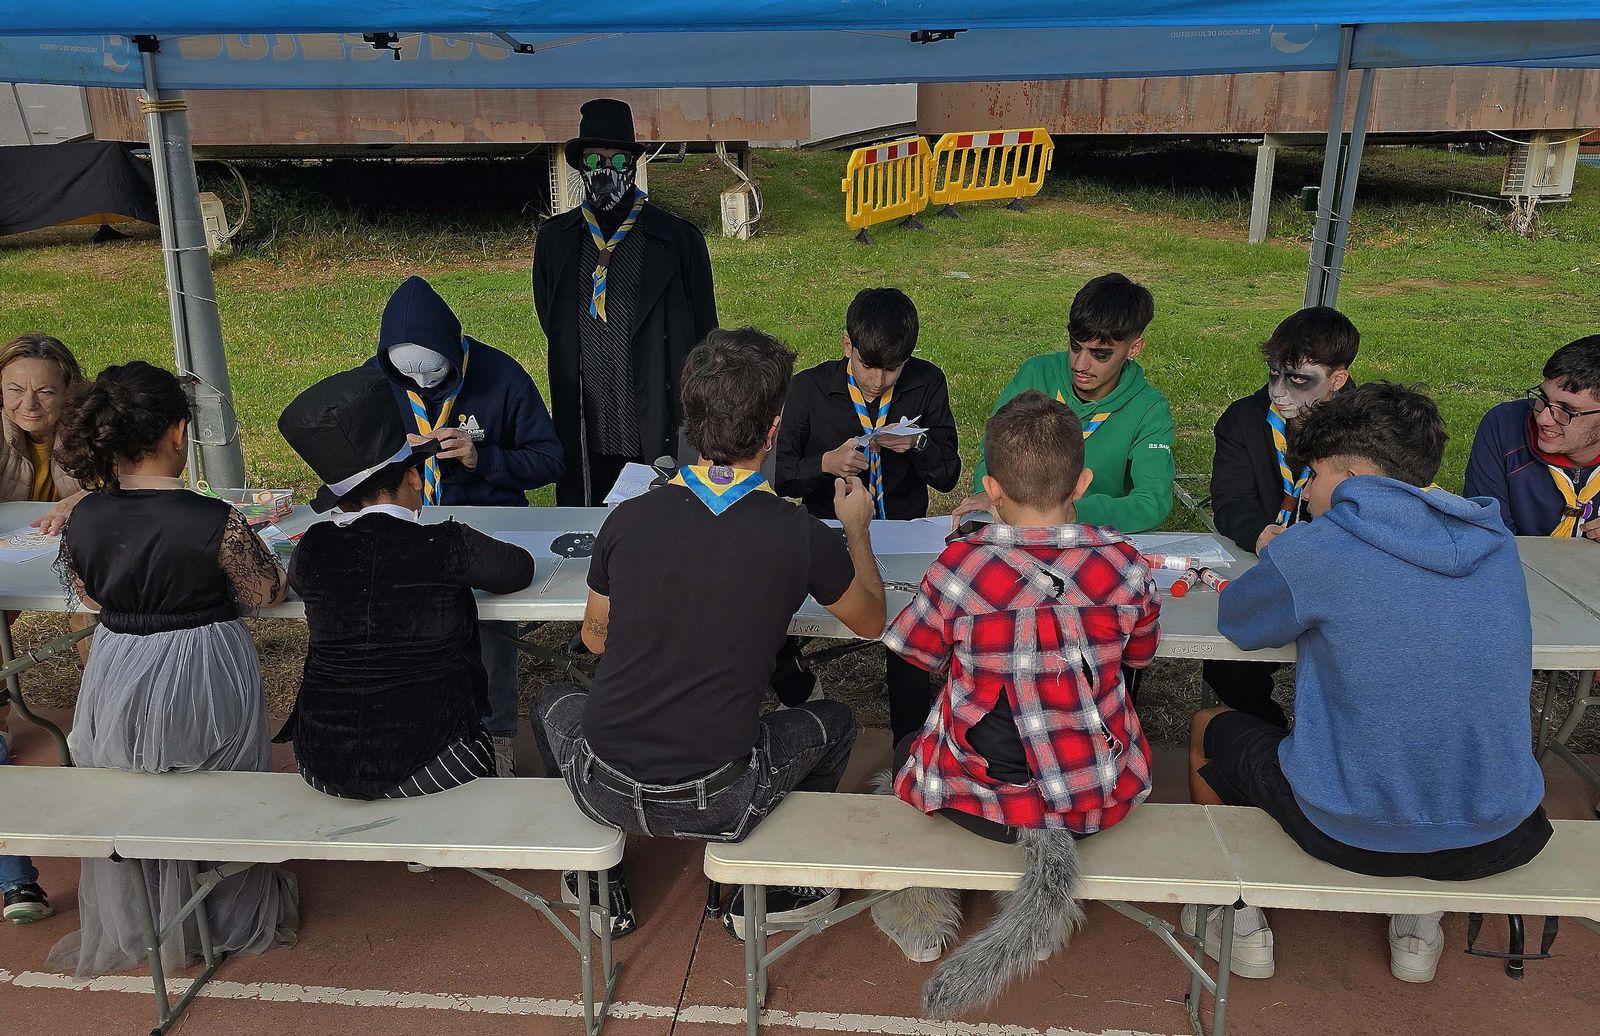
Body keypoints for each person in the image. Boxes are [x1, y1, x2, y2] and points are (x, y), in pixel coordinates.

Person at [1189, 383, 1552, 986]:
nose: (1304, 490)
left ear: (1353, 473)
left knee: (1207, 727)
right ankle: (1417, 924)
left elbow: (1240, 622)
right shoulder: (1494, 542)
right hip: (1504, 825)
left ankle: (1235, 919)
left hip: (1355, 827)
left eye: (1312, 474)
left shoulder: (1319, 548)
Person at [535, 327, 885, 940]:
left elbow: (595, 639)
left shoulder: (629, 519)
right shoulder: (795, 531)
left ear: (690, 421)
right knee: (835, 724)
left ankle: (596, 880)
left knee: (549, 705)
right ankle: (769, 886)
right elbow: (872, 620)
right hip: (722, 793)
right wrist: (856, 527)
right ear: (775, 429)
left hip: (606, 784)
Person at [869, 390, 1160, 1016]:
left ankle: (918, 910)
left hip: (984, 804)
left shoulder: (961, 565)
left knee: (898, 754)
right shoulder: (1127, 564)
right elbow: (1139, 657)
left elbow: (915, 653)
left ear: (990, 488)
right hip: (1094, 798)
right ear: (1082, 480)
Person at [47, 361, 298, 978]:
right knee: (222, 783)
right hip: (204, 660)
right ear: (178, 435)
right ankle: (229, 913)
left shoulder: (83, 516)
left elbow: (84, 591)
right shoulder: (213, 519)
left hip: (119, 660)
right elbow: (264, 592)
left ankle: (143, 915)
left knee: (130, 782)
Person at [276, 367, 538, 800]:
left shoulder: (315, 546)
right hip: (433, 758)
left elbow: (307, 579)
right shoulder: (447, 542)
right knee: (475, 747)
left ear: (342, 500)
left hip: (321, 761)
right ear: (414, 478)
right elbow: (518, 569)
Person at [368, 275, 563, 778]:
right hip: (407, 522)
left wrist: (484, 458)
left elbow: (549, 461)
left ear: (454, 354)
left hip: (489, 524)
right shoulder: (377, 383)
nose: (423, 389)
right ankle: (428, 736)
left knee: (491, 638)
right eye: (409, 380)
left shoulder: (502, 376)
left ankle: (496, 736)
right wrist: (393, 460)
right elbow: (351, 467)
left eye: (434, 376)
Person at [774, 287, 960, 742]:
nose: (877, 381)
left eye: (892, 369)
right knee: (769, 611)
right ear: (846, 347)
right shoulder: (810, 389)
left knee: (909, 628)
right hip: (827, 532)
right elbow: (777, 475)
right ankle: (797, 686)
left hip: (901, 533)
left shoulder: (927, 383)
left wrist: (918, 444)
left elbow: (948, 475)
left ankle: (908, 747)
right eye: (867, 366)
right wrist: (825, 464)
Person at [532, 97, 718, 506]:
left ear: (633, 166)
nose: (605, 171)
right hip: (588, 419)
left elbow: (706, 335)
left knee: (663, 528)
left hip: (657, 417)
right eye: (595, 160)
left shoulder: (679, 240)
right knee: (591, 530)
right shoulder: (556, 241)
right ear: (580, 166)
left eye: (618, 161)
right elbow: (552, 318)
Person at [1205, 307, 1359, 727]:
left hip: (1345, 574)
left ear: (1338, 380)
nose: (1278, 391)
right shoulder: (1244, 419)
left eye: (1298, 380)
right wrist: (1259, 533)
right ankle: (1269, 737)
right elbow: (1230, 500)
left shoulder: (1369, 426)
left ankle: (1330, 738)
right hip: (1272, 563)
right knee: (1229, 663)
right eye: (1274, 374)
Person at [953, 273, 1173, 534]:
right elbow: (992, 452)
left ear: (1134, 349)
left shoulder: (1149, 409)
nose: (1080, 365)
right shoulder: (1037, 374)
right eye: (1075, 346)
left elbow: (1152, 502)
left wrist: (1076, 513)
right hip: (1013, 527)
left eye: (1100, 354)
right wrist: (987, 492)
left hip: (1092, 536)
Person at [0, 332, 89, 922]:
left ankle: (104, 731)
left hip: (68, 565)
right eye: (13, 390)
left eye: (43, 393)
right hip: (10, 564)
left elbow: (122, 483)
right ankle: (17, 876)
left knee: (101, 627)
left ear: (69, 392)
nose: (27, 406)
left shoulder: (90, 426)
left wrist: (78, 499)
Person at [1465, 334, 1600, 541]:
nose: (1544, 418)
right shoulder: (1504, 426)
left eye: (1567, 410)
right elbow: (1488, 537)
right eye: (1543, 398)